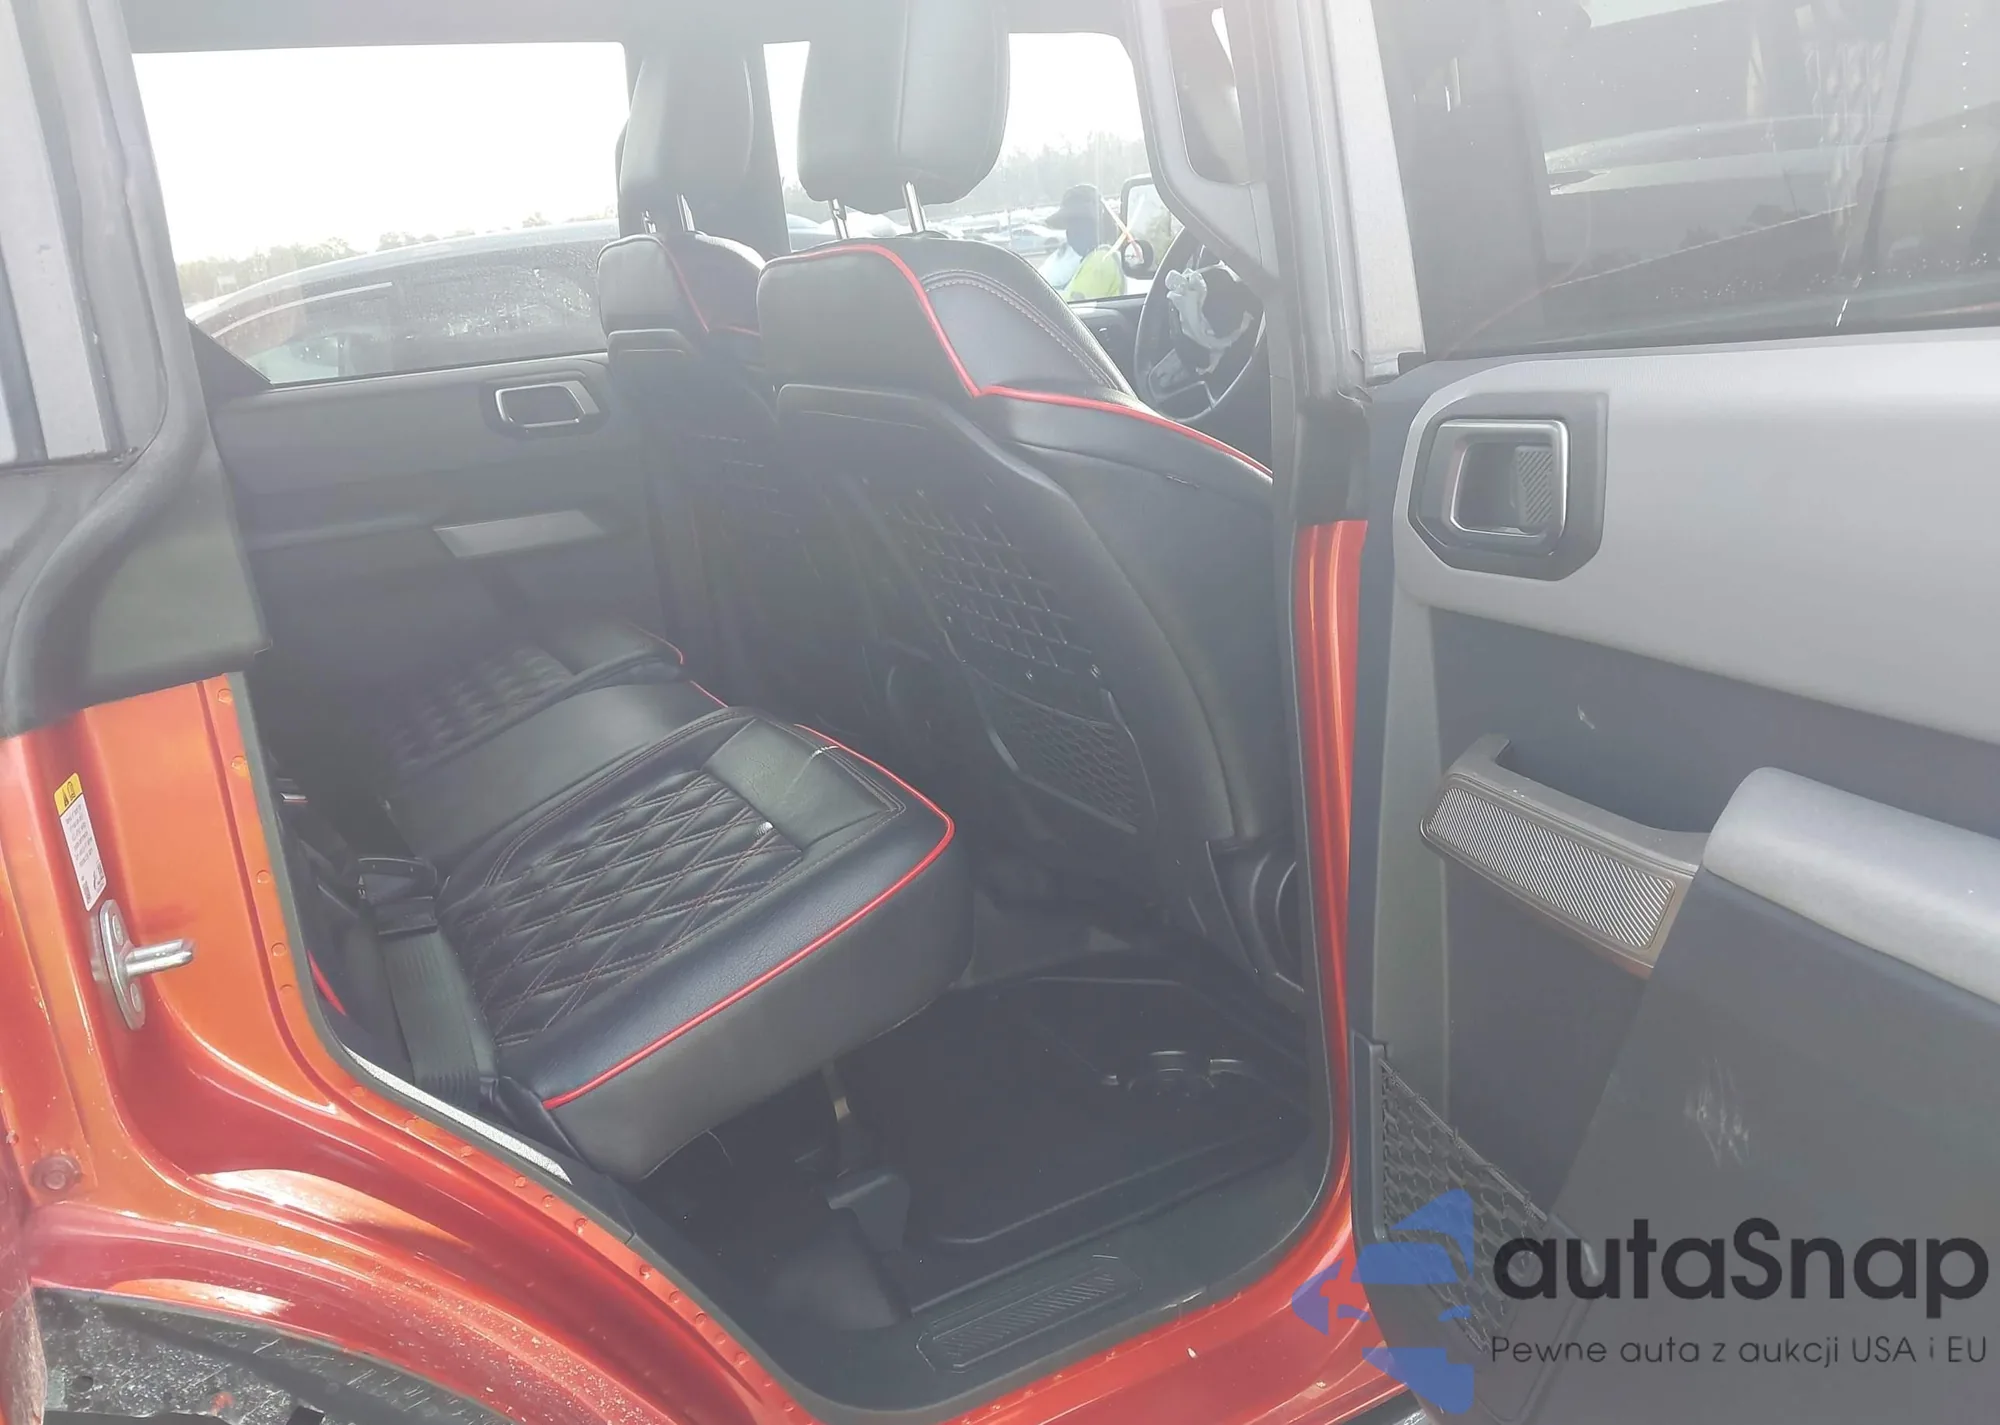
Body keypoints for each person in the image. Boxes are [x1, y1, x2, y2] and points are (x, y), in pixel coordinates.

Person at [1039, 184, 1125, 300]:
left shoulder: (1100, 260)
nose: (1073, 231)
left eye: (1080, 222)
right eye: (1070, 224)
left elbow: (1070, 305)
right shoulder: (1091, 259)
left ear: (1098, 225)